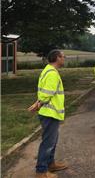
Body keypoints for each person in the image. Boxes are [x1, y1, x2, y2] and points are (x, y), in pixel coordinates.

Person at [28, 50, 68, 178]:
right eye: (63, 57)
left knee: (52, 141)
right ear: (57, 58)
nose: (64, 58)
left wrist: (38, 102)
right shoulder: (52, 74)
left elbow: (44, 92)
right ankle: (41, 171)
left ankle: (51, 164)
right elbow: (47, 93)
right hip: (49, 113)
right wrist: (39, 103)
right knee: (48, 143)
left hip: (50, 113)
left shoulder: (48, 70)